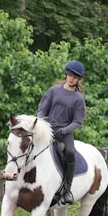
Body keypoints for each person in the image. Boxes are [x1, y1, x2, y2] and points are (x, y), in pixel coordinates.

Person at [37, 60, 86, 205]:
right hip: (47, 129)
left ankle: (67, 190)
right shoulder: (54, 91)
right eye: (70, 75)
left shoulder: (78, 99)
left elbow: (77, 120)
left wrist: (66, 130)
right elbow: (42, 109)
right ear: (66, 75)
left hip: (64, 132)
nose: (71, 78)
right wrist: (40, 121)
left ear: (78, 80)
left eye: (75, 77)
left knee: (70, 152)